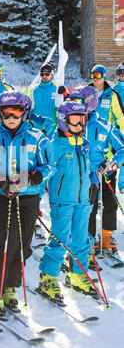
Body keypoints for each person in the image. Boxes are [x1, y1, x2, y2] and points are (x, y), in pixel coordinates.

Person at [0, 91, 55, 315]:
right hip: (4, 197)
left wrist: (34, 178)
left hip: (28, 197)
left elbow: (50, 166)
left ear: (25, 112)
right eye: (6, 113)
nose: (11, 117)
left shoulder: (37, 137)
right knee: (3, 242)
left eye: (16, 112)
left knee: (23, 244)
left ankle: (11, 286)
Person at [38, 101, 98, 303]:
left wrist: (93, 179)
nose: (79, 125)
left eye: (82, 120)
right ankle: (48, 277)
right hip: (62, 201)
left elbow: (87, 170)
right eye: (74, 120)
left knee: (81, 240)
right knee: (60, 239)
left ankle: (77, 274)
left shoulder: (82, 143)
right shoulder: (55, 145)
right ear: (64, 121)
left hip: (82, 200)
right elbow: (46, 172)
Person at [69, 85, 124, 261]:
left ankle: (106, 235)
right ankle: (87, 240)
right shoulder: (71, 123)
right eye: (74, 102)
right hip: (79, 173)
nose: (76, 106)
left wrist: (113, 163)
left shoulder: (104, 125)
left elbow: (121, 148)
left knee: (108, 202)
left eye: (79, 102)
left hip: (102, 170)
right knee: (86, 209)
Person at [89, 64, 124, 252]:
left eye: (98, 75)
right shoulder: (86, 92)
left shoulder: (112, 95)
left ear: (104, 77)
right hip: (91, 156)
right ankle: (91, 235)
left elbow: (121, 118)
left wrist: (120, 142)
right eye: (93, 75)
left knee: (109, 197)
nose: (95, 78)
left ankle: (107, 234)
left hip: (108, 152)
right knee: (91, 200)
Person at [27, 62, 57, 133]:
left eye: (47, 74)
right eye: (42, 74)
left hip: (52, 128)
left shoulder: (57, 89)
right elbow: (29, 108)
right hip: (36, 128)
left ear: (52, 75)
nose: (44, 76)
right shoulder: (34, 90)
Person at [112, 62, 124, 193]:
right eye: (119, 73)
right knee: (113, 155)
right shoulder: (113, 90)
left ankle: (122, 184)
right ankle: (110, 178)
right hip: (116, 127)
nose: (121, 76)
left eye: (123, 73)